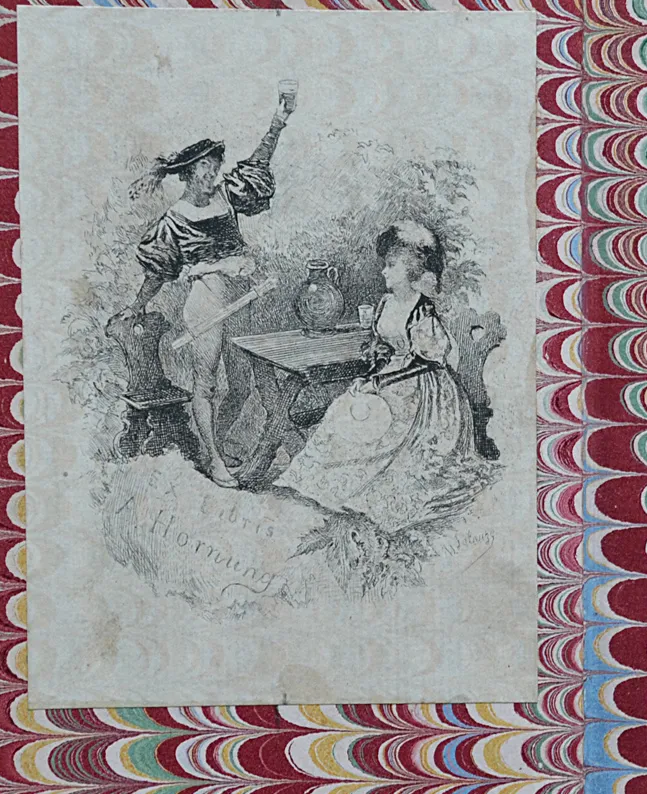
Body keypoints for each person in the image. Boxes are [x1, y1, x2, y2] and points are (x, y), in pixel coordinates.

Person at [272, 221, 492, 533]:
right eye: (385, 265)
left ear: (411, 269)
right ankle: (325, 483)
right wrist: (371, 374)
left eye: (391, 266)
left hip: (424, 386)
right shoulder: (386, 303)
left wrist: (382, 381)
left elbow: (428, 361)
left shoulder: (421, 309)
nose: (384, 272)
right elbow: (382, 346)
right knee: (346, 408)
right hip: (390, 374)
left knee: (390, 430)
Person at [126, 91, 293, 487]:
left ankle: (214, 444)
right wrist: (137, 305)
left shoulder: (227, 197)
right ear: (187, 174)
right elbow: (160, 272)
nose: (213, 173)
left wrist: (278, 122)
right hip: (207, 301)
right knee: (207, 382)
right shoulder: (174, 219)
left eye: (215, 165)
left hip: (243, 297)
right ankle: (215, 460)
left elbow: (258, 162)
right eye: (205, 166)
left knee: (242, 383)